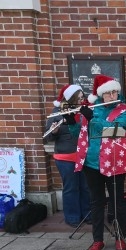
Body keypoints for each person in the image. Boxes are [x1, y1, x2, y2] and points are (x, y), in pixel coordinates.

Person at [68, 74, 126, 250]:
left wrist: (93, 119)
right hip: (91, 163)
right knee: (96, 202)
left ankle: (120, 237)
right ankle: (98, 240)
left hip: (113, 163)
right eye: (109, 93)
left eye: (115, 92)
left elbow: (120, 130)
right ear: (101, 95)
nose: (113, 95)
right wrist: (70, 122)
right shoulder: (92, 109)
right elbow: (79, 135)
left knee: (117, 202)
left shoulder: (125, 110)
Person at [45, 84, 91, 228]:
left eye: (82, 98)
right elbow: (48, 138)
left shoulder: (83, 110)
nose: (81, 101)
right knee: (71, 187)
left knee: (85, 186)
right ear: (70, 98)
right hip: (65, 157)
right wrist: (54, 131)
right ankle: (72, 217)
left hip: (83, 155)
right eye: (79, 98)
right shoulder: (57, 112)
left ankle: (88, 214)